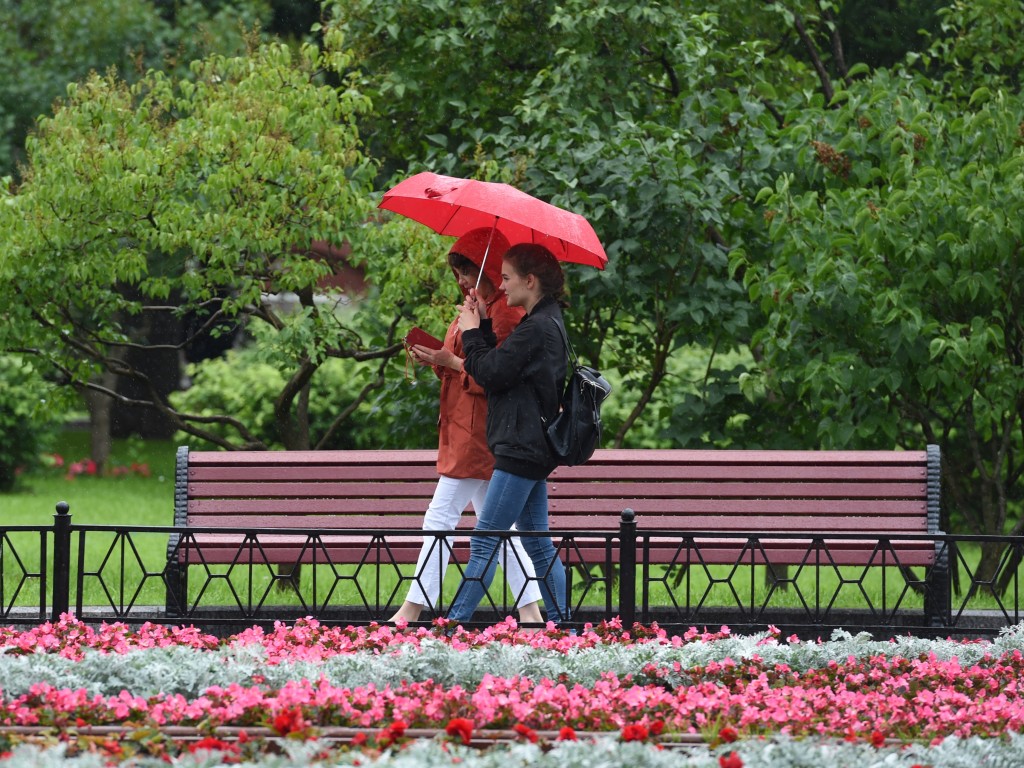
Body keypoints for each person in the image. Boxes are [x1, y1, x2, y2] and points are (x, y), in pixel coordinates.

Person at [390, 229, 544, 624]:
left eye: (467, 269)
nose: (461, 279)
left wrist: (454, 356)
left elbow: (493, 378)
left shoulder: (505, 314)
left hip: (479, 434)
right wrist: (439, 358)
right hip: (464, 429)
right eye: (458, 271)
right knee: (500, 528)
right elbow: (464, 365)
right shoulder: (478, 306)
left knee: (440, 518)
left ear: (488, 269)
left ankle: (411, 610)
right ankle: (530, 613)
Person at [446, 243, 570, 627]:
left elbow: (491, 371)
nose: (501, 283)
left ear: (530, 281)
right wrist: (481, 324)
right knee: (536, 542)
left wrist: (470, 333)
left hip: (520, 448)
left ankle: (453, 626)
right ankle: (564, 627)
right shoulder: (546, 322)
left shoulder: (535, 328)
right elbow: (502, 368)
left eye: (508, 277)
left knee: (486, 539)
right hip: (531, 448)